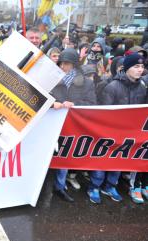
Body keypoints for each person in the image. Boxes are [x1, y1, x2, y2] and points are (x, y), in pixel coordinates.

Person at [88, 53, 147, 204]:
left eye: (142, 66)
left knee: (119, 162)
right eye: (136, 66)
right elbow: (104, 113)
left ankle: (110, 186)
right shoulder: (113, 87)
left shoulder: (141, 87)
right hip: (110, 133)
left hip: (129, 133)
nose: (140, 70)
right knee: (102, 161)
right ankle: (94, 186)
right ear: (126, 68)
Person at [51, 48, 97, 202]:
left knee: (64, 158)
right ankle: (41, 185)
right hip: (53, 126)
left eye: (67, 64)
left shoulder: (87, 83)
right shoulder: (51, 80)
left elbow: (92, 104)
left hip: (74, 126)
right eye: (61, 63)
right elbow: (41, 98)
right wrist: (52, 103)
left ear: (75, 65)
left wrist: (75, 104)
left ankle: (59, 186)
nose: (63, 67)